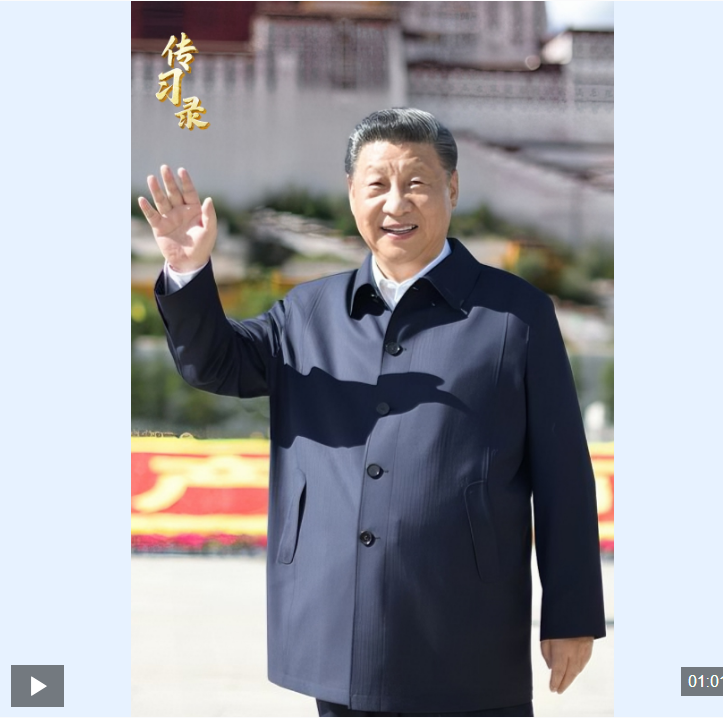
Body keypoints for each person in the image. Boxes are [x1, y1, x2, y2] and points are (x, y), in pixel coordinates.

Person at [139, 108, 605, 717]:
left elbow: (562, 471)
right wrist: (187, 269)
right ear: (351, 193)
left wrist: (571, 614)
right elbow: (216, 364)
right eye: (377, 184)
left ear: (452, 188)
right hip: (341, 620)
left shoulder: (516, 315)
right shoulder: (307, 312)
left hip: (466, 623)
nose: (396, 204)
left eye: (416, 183)